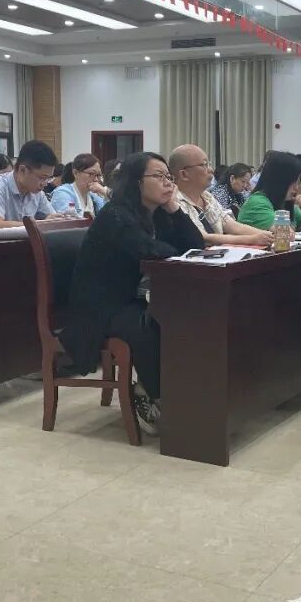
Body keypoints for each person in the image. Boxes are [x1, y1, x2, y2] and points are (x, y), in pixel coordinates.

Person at [59, 152, 204, 435]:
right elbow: (149, 251)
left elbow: (195, 244)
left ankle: (175, 391)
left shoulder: (157, 213)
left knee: (181, 318)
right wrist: (176, 251)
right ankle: (153, 396)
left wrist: (174, 208)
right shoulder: (115, 215)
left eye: (168, 177)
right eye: (159, 176)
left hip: (131, 298)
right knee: (151, 325)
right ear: (137, 182)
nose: (168, 183)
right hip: (100, 306)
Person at [169, 145, 273, 246]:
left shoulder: (207, 197)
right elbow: (202, 237)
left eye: (209, 164)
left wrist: (266, 235)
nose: (211, 170)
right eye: (204, 165)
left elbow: (231, 225)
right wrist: (252, 239)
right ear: (184, 174)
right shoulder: (173, 202)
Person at [0, 141, 63, 228]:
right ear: (22, 170)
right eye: (42, 178)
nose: (45, 184)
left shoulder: (37, 193)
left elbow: (51, 218)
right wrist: (41, 224)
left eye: (48, 178)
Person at [239, 152, 301, 231]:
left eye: (297, 182)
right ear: (279, 180)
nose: (296, 188)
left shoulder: (283, 201)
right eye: (293, 182)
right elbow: (283, 232)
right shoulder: (257, 203)